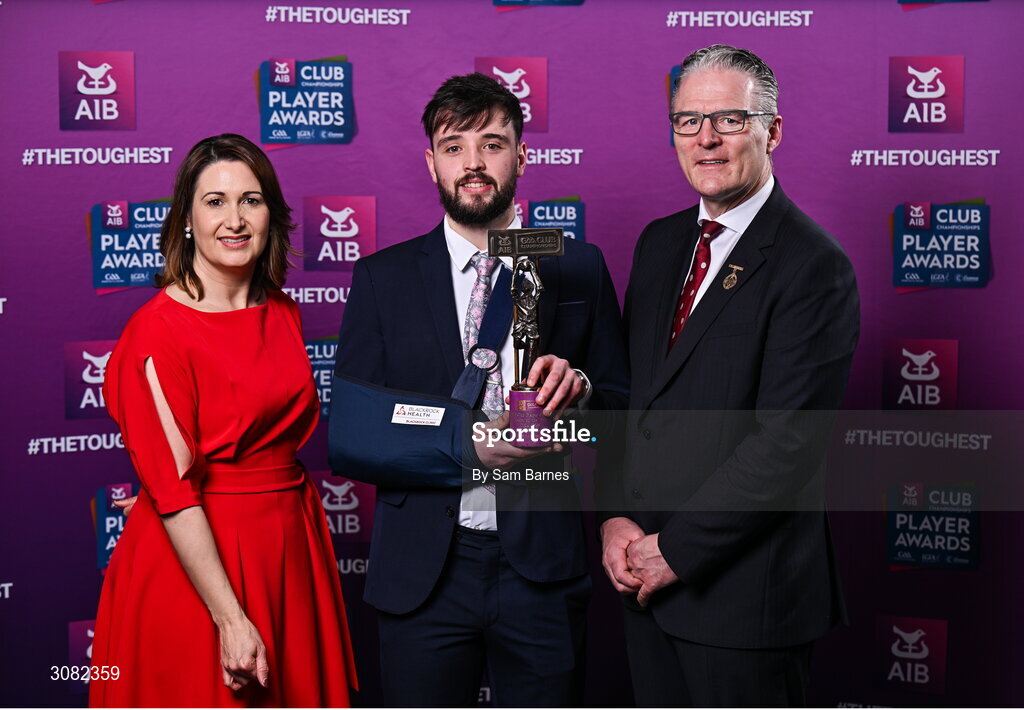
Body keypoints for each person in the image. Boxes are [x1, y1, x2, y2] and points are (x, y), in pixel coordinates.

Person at [329, 73, 628, 707]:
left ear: (521, 156)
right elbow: (353, 436)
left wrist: (583, 390)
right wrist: (467, 447)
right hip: (424, 571)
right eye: (454, 144)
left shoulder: (576, 264)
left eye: (492, 143)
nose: (473, 162)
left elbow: (622, 417)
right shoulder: (385, 278)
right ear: (431, 161)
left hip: (542, 567)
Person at [599, 45, 859, 706]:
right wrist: (615, 518)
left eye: (729, 119)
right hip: (643, 587)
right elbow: (634, 404)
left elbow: (786, 446)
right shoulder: (659, 244)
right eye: (687, 121)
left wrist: (674, 550)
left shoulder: (813, 265)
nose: (705, 138)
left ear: (772, 131)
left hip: (746, 603)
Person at [89, 134, 356, 707]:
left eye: (250, 200)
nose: (234, 220)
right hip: (201, 568)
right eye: (214, 202)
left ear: (270, 215)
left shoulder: (282, 310)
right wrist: (231, 619)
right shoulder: (157, 330)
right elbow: (178, 490)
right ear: (186, 219)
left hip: (288, 545)